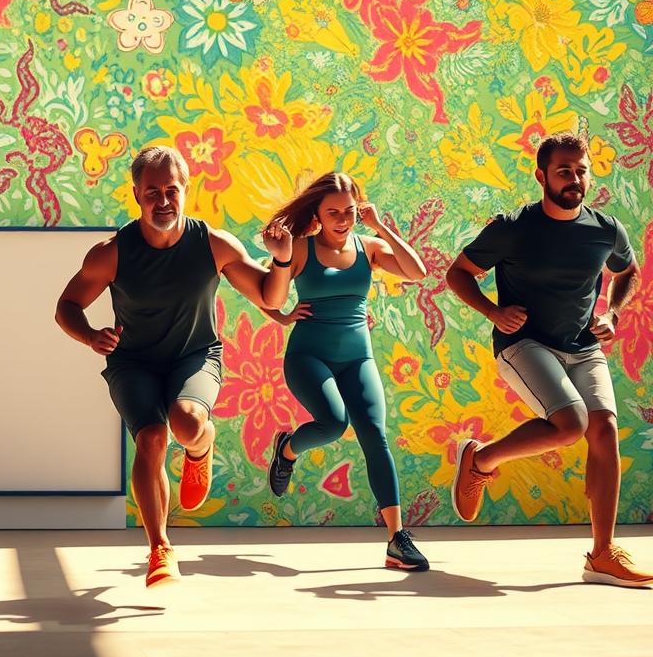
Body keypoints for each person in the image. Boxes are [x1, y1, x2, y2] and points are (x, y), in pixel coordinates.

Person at [55, 145, 291, 588]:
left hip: (194, 355)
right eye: (152, 193)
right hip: (133, 362)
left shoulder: (214, 244)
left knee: (185, 423)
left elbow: (270, 298)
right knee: (151, 438)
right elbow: (66, 305)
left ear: (186, 190)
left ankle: (201, 446)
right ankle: (160, 549)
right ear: (136, 194)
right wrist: (90, 335)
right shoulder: (111, 253)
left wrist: (280, 259)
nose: (162, 201)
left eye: (171, 190)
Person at [445, 132, 648, 587]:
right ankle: (481, 462)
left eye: (581, 170)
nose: (575, 179)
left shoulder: (605, 229)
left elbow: (626, 270)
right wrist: (494, 312)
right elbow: (457, 273)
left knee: (605, 428)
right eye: (564, 171)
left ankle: (602, 554)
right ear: (541, 176)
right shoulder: (513, 227)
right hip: (524, 344)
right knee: (571, 424)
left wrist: (612, 313)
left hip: (582, 345)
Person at [261, 172, 430, 571]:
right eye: (333, 212)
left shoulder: (369, 246)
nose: (343, 219)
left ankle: (396, 540)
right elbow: (267, 292)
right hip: (308, 356)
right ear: (317, 214)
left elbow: (416, 271)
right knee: (334, 424)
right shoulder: (298, 249)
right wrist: (284, 316)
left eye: (350, 211)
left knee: (375, 434)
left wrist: (380, 226)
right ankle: (287, 449)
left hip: (358, 357)